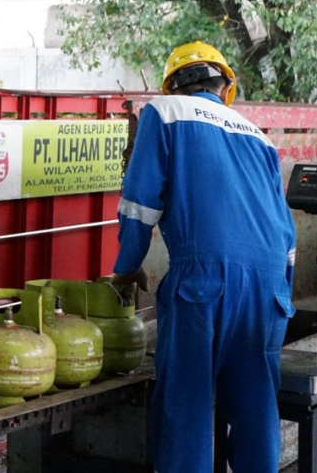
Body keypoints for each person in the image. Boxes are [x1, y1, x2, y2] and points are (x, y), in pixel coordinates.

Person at [111, 41, 296, 473]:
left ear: (174, 83)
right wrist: (277, 294)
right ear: (225, 85)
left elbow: (140, 204)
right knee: (255, 412)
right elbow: (287, 236)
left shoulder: (165, 112)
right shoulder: (261, 138)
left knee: (187, 406)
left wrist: (125, 267)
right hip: (269, 290)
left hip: (203, 284)